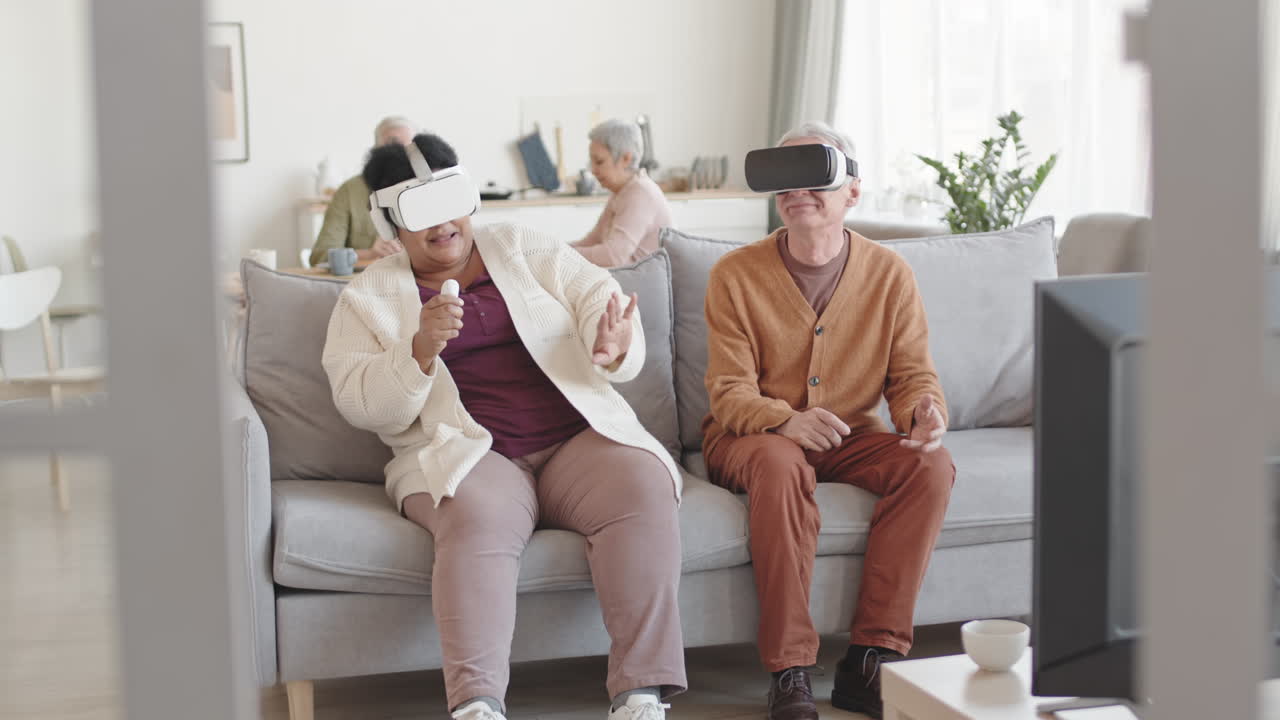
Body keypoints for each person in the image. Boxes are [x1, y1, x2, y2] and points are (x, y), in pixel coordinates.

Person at [321, 133, 687, 720]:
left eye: (451, 201)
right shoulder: (368, 297)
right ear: (389, 220)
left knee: (643, 485)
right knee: (477, 514)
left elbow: (595, 292)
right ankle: (477, 705)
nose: (443, 224)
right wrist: (417, 350)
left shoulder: (520, 245)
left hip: (574, 440)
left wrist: (611, 338)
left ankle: (641, 695)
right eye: (420, 212)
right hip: (466, 452)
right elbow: (362, 405)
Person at [700, 121, 955, 720]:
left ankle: (871, 660)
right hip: (753, 438)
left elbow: (913, 375)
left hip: (851, 438)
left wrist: (925, 412)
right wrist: (784, 421)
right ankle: (789, 670)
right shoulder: (735, 275)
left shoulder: (890, 275)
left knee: (931, 467)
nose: (799, 189)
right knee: (778, 461)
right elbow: (728, 394)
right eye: (786, 177)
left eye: (816, 174)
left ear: (852, 193)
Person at [308, 116, 418, 266]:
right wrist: (370, 254)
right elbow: (319, 256)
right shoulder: (350, 191)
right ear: (375, 152)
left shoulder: (429, 189)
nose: (398, 156)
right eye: (391, 148)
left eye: (407, 149)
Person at [572, 119, 674, 267]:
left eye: (599, 162)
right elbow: (592, 241)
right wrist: (552, 250)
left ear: (626, 159)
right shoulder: (621, 191)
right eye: (592, 162)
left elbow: (612, 257)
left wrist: (561, 254)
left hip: (642, 286)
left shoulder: (641, 193)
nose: (593, 170)